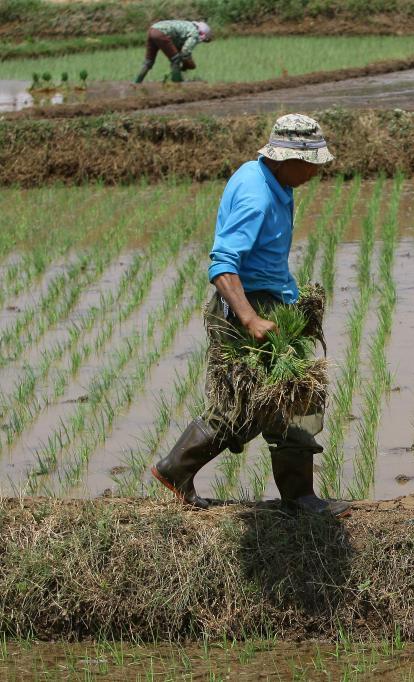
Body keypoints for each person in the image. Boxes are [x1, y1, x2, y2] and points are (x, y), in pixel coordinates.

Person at [152, 114, 350, 516]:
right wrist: (250, 318)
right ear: (284, 158)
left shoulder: (266, 176)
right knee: (282, 398)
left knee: (267, 401)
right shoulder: (257, 196)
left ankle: (178, 469)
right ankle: (299, 498)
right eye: (309, 162)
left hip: (268, 300)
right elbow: (222, 265)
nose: (314, 171)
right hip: (249, 305)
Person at [134, 19, 212, 84]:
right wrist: (188, 63)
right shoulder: (195, 33)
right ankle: (177, 83)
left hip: (152, 30)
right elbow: (185, 52)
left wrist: (185, 63)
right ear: (202, 34)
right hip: (161, 32)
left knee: (149, 61)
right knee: (176, 59)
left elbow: (178, 48)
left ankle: (136, 83)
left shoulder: (187, 26)